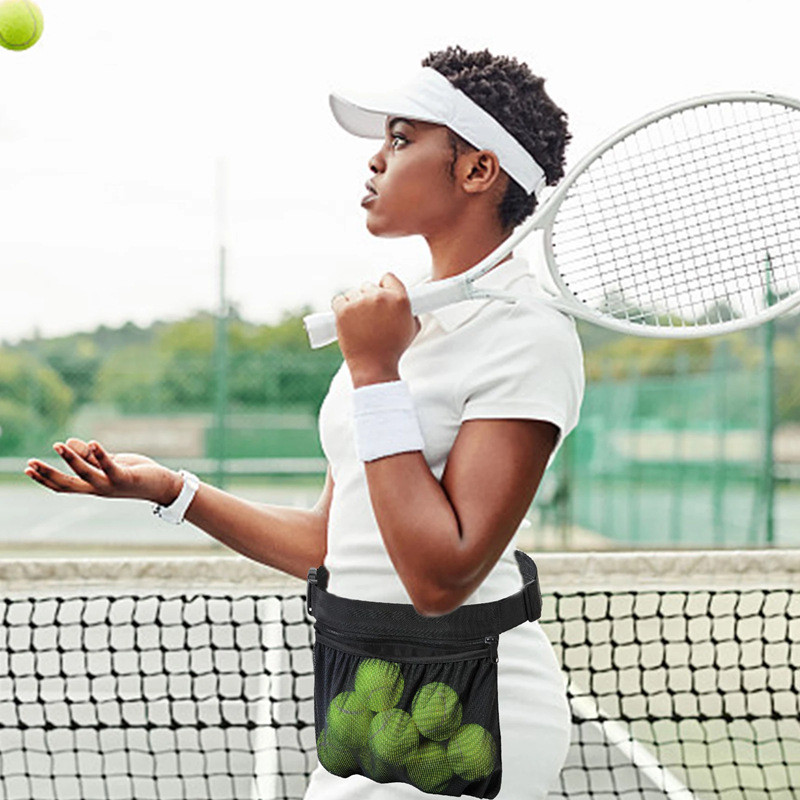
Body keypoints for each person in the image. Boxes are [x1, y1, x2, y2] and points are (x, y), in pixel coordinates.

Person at [25, 45, 584, 800]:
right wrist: (170, 490)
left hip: (473, 714)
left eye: (401, 139)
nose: (375, 163)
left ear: (478, 169)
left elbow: (441, 576)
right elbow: (334, 543)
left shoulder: (523, 335)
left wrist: (375, 370)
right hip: (366, 695)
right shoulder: (393, 326)